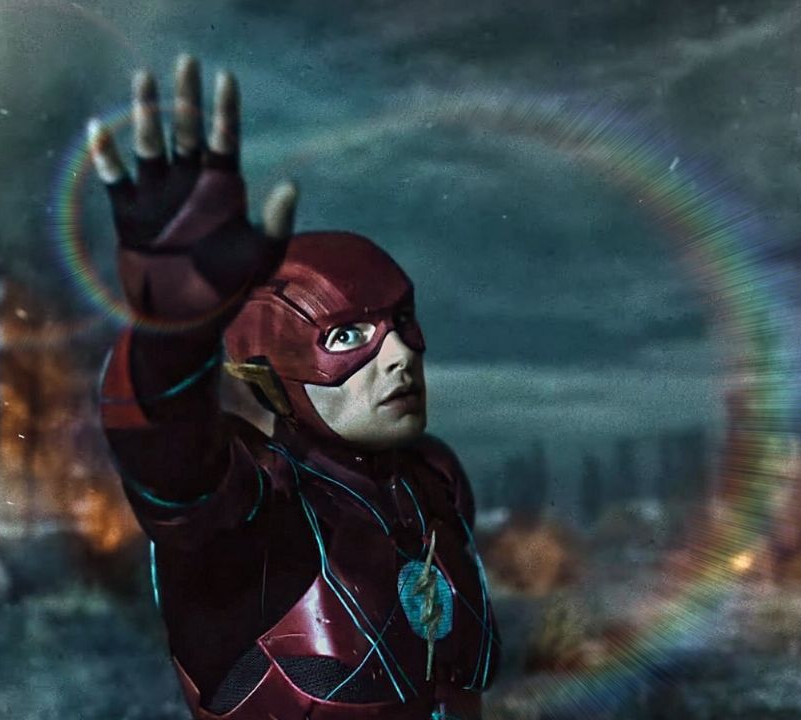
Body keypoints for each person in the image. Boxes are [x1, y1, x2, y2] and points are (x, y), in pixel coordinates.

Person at [88, 54, 501, 720]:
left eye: (401, 321)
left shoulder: (434, 483)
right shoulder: (259, 508)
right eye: (347, 336)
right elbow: (170, 463)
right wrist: (172, 334)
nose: (400, 355)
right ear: (268, 367)